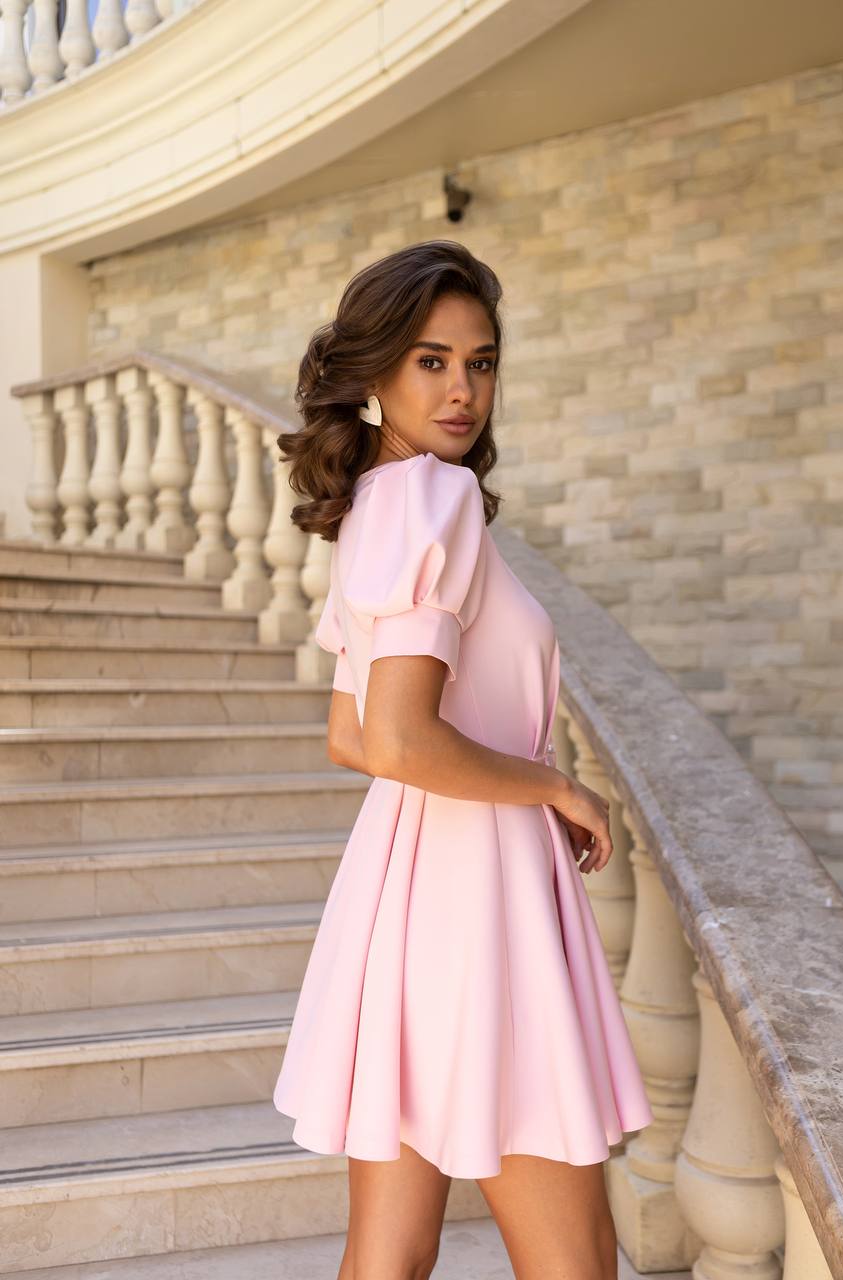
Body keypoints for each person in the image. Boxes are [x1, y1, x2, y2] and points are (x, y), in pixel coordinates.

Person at [273, 240, 653, 1280]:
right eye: (431, 360)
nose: (462, 388)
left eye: (480, 362)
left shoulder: (375, 508)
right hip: (479, 901)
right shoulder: (430, 500)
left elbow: (353, 735)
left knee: (388, 1251)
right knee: (574, 1263)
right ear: (375, 372)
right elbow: (395, 737)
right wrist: (556, 784)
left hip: (405, 895)